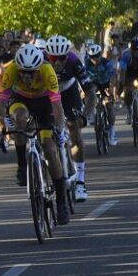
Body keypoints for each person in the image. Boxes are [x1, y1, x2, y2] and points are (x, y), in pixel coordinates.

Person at [0, 43, 70, 225]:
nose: (27, 76)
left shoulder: (47, 71)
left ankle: (61, 201)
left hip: (44, 103)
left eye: (32, 72)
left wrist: (59, 129)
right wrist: (4, 123)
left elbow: (57, 107)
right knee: (19, 120)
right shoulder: (12, 69)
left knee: (50, 149)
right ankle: (22, 165)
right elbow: (0, 104)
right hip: (20, 100)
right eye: (23, 72)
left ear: (38, 68)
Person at [45, 35, 96, 202]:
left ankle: (80, 181)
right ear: (47, 55)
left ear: (68, 55)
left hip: (68, 91)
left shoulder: (74, 62)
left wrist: (84, 115)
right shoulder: (41, 62)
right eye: (53, 58)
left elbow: (90, 93)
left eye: (61, 58)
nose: (58, 62)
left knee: (75, 130)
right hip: (47, 94)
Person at [85, 43, 117, 144]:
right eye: (92, 57)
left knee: (109, 106)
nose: (95, 59)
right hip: (94, 84)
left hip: (105, 84)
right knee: (89, 93)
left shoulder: (106, 63)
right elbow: (81, 78)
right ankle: (92, 112)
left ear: (100, 55)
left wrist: (111, 88)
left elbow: (112, 77)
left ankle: (112, 132)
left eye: (97, 56)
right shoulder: (86, 64)